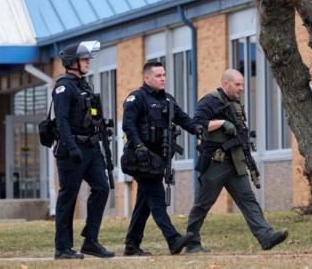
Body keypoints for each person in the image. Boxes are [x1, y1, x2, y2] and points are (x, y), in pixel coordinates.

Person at [185, 69, 288, 253]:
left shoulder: (236, 104)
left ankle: (266, 236)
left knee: (248, 200)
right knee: (203, 204)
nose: (241, 88)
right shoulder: (209, 101)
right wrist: (222, 124)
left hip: (235, 161)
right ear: (226, 84)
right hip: (215, 162)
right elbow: (196, 125)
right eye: (238, 84)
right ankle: (191, 243)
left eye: (242, 84)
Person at [121, 62, 203, 256]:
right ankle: (173, 239)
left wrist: (197, 128)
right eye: (158, 75)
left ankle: (131, 245)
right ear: (146, 78)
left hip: (158, 160)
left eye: (164, 74)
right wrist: (140, 146)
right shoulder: (136, 98)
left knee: (144, 203)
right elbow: (128, 126)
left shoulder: (167, 99)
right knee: (157, 199)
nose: (163, 78)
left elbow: (183, 119)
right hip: (140, 159)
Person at [52, 41, 115, 259]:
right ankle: (62, 248)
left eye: (88, 59)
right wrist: (71, 147)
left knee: (102, 188)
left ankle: (90, 240)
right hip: (71, 151)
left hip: (91, 147)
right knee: (68, 198)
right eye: (84, 59)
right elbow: (61, 121)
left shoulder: (83, 85)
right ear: (72, 62)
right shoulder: (63, 87)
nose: (88, 62)